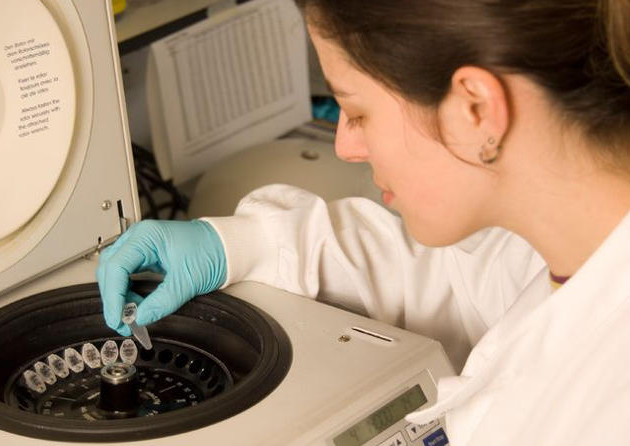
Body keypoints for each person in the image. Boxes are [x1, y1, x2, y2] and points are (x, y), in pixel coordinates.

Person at [97, 0, 630, 443]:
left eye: (356, 111)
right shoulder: (572, 243)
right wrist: (239, 244)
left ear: (475, 109)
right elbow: (461, 274)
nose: (345, 146)